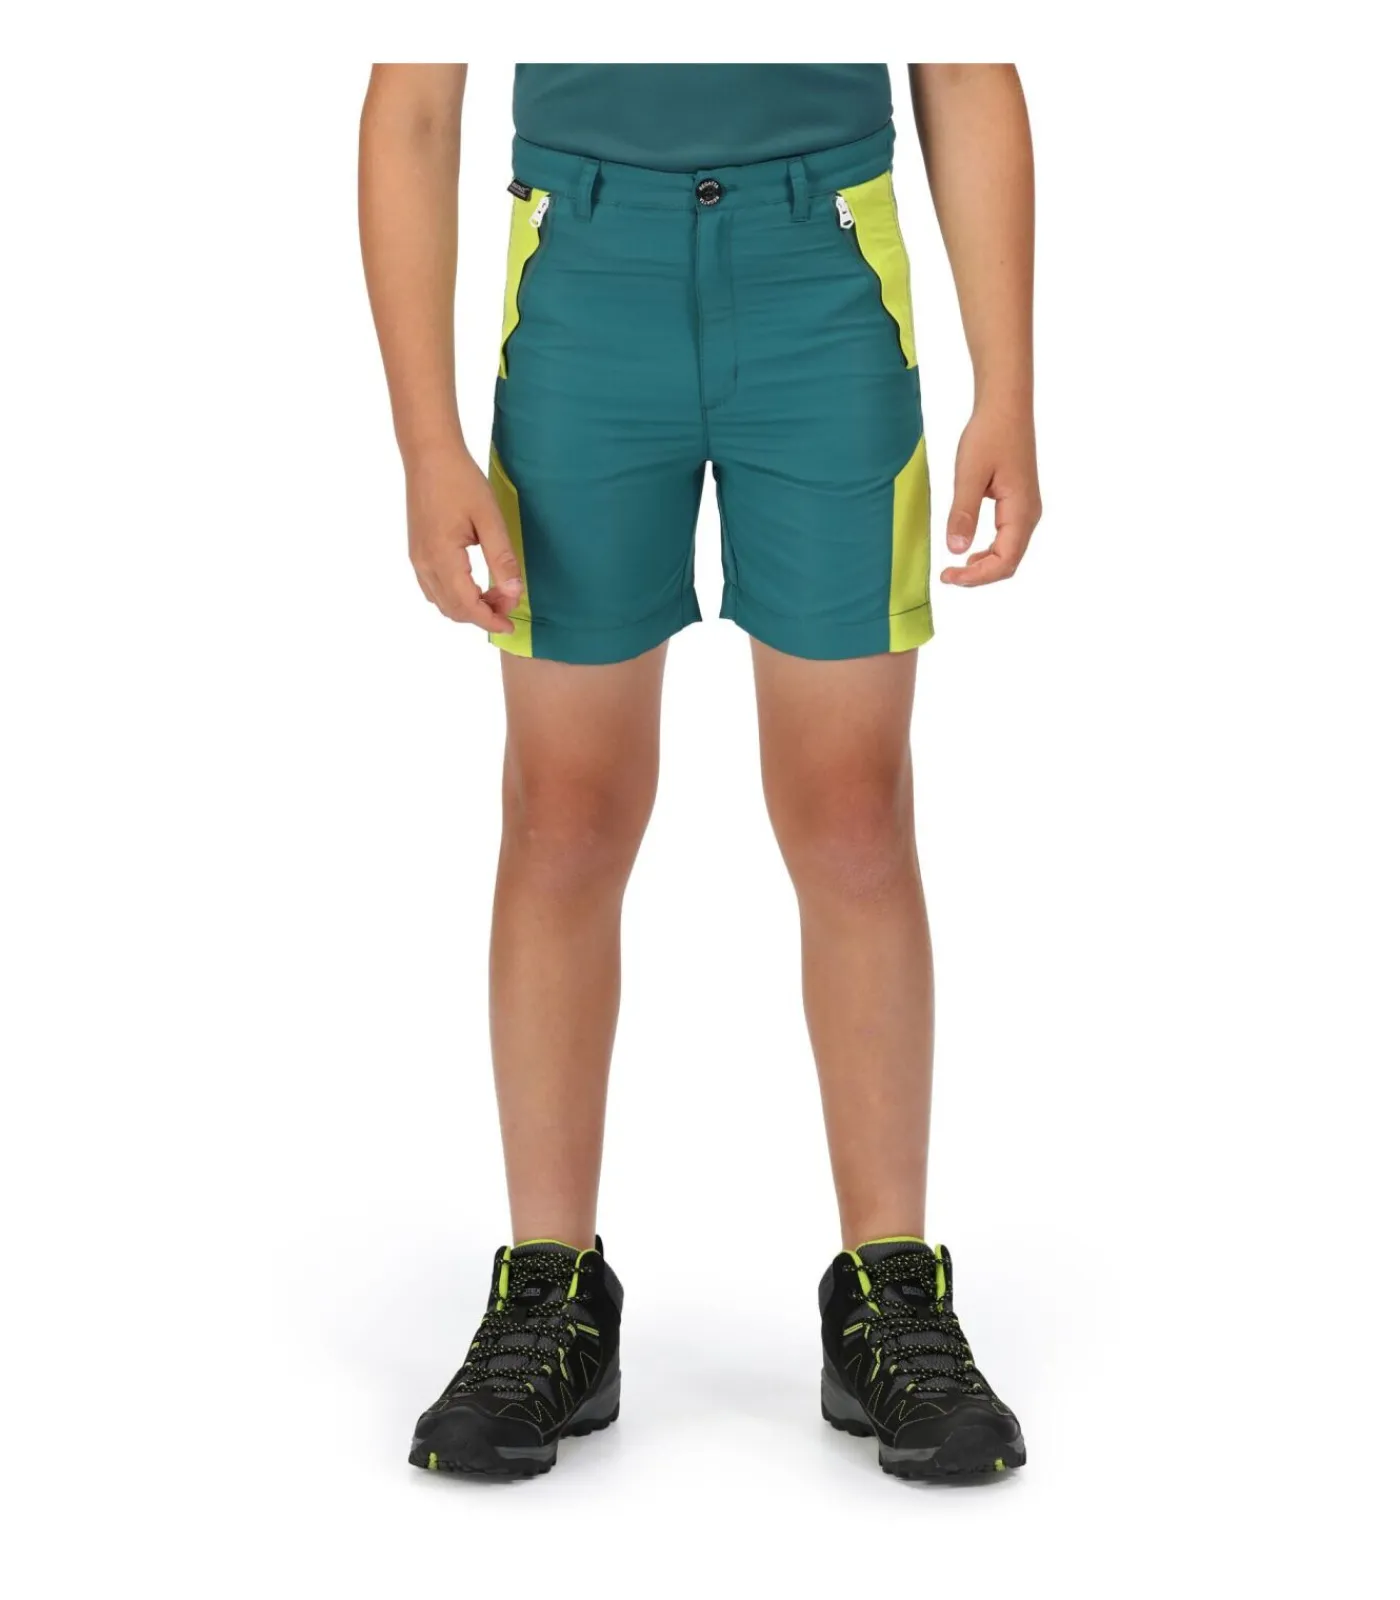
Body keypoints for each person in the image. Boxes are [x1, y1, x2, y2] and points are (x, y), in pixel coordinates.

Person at [359, 62, 1040, 1481]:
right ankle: (549, 1292)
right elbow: (412, 99)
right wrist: (426, 442)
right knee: (564, 812)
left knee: (853, 810)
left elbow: (966, 66)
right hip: (582, 274)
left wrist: (1010, 389)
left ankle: (890, 1291)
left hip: (826, 271)